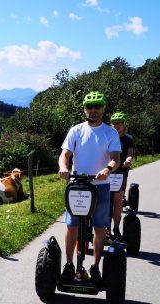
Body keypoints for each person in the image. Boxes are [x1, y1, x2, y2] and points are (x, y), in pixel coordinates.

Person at [58, 91, 121, 285]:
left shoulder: (110, 133)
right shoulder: (76, 130)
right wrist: (63, 167)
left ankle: (95, 267)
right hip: (77, 185)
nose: (93, 110)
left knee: (100, 227)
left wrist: (107, 170)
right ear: (85, 109)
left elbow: (115, 158)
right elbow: (65, 154)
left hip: (100, 186)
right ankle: (69, 265)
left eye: (97, 107)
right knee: (71, 225)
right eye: (90, 107)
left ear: (103, 108)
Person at [110, 112, 136, 236]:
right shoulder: (107, 136)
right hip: (107, 172)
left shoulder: (128, 139)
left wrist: (128, 160)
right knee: (105, 201)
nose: (117, 126)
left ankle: (115, 228)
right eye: (114, 123)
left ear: (124, 125)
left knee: (117, 202)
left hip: (120, 172)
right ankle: (105, 229)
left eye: (119, 123)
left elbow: (130, 153)